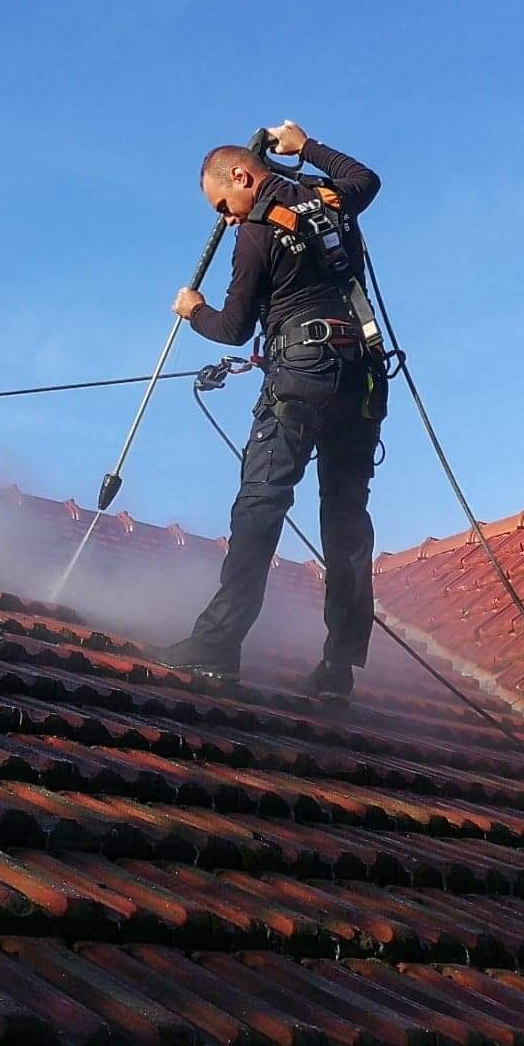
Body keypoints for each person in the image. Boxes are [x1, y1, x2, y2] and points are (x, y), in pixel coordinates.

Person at [153, 121, 389, 698]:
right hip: (362, 378)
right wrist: (306, 145)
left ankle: (217, 646)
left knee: (260, 504)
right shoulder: (330, 200)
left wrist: (194, 310)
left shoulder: (256, 235)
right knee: (346, 523)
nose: (227, 217)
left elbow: (234, 329)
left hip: (301, 376)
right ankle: (338, 672)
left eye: (223, 205)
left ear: (240, 175)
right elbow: (366, 178)